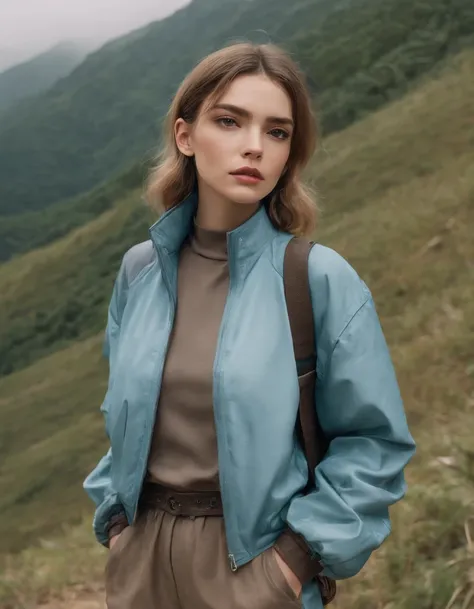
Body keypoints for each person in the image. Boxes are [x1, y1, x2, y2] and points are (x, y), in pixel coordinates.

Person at [83, 42, 415, 609]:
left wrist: (294, 562)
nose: (254, 146)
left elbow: (374, 444)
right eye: (229, 121)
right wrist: (117, 523)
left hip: (256, 571)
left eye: (278, 132)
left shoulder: (315, 278)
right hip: (139, 568)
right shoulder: (140, 270)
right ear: (186, 137)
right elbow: (127, 414)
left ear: (291, 154)